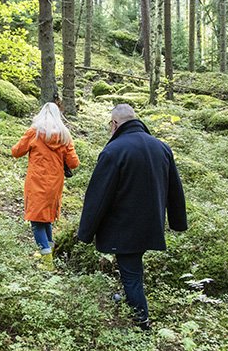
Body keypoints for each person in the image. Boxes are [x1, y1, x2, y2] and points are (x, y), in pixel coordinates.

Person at [77, 104, 187, 330]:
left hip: (124, 227)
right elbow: (175, 189)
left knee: (131, 275)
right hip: (151, 224)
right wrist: (178, 222)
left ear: (115, 124)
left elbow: (98, 196)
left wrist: (85, 233)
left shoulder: (114, 151)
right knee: (133, 269)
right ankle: (131, 302)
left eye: (110, 125)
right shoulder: (161, 147)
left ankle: (142, 323)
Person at [12, 102, 80, 270]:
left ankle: (47, 260)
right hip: (55, 183)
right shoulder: (65, 136)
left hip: (36, 182)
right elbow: (74, 163)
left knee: (36, 220)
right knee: (47, 217)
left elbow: (16, 152)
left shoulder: (34, 133)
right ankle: (49, 249)